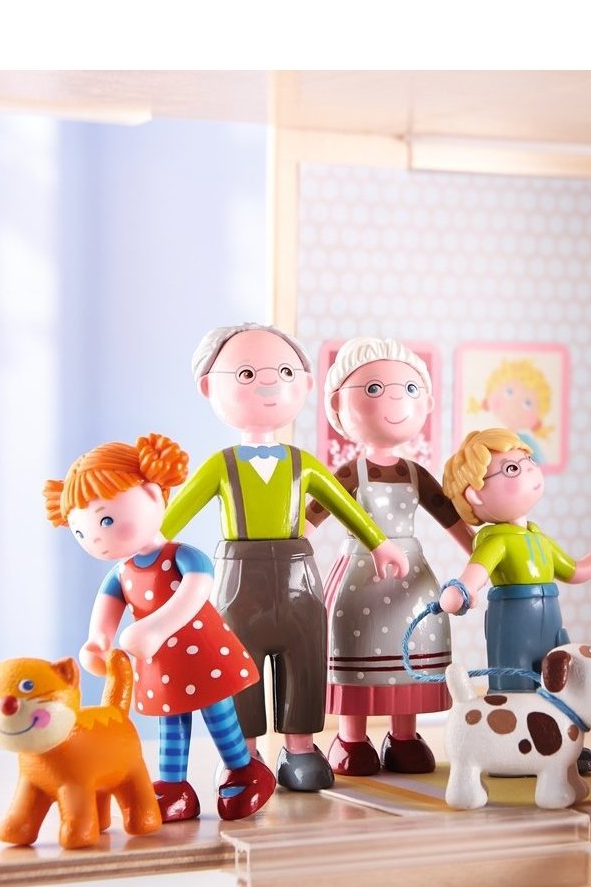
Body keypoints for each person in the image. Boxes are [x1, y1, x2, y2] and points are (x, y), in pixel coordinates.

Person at [161, 323, 408, 793]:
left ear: (306, 384)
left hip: (299, 573)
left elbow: (345, 506)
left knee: (306, 660)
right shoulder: (221, 465)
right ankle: (244, 756)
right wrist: (147, 553)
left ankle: (301, 748)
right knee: (238, 664)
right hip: (238, 578)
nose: (270, 383)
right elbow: (171, 519)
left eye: (285, 372)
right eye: (247, 374)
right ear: (209, 387)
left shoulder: (303, 463)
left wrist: (379, 543)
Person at [45, 433, 275, 822]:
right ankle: (174, 785)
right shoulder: (121, 572)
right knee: (171, 720)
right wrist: (97, 643)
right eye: (81, 531)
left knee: (217, 710)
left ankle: (244, 769)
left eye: (105, 519)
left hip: (202, 653)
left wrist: (155, 628)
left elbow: (196, 590)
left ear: (153, 494)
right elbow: (106, 611)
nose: (96, 538)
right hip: (160, 662)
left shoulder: (183, 556)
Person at [310, 336, 474, 776]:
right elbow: (313, 517)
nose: (395, 400)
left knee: (412, 651)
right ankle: (351, 738)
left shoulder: (416, 474)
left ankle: (404, 736)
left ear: (427, 404)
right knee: (355, 647)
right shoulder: (349, 473)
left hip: (412, 582)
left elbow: (451, 518)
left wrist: (484, 561)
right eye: (374, 389)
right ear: (338, 405)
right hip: (358, 576)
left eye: (410, 389)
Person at [438, 428, 591, 775]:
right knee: (517, 681)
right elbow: (474, 575)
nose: (529, 470)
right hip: (513, 620)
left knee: (560, 676)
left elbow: (573, 570)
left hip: (550, 618)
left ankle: (563, 742)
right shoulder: (495, 539)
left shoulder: (538, 536)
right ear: (475, 494)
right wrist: (461, 591)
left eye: (527, 461)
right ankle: (511, 747)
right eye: (512, 468)